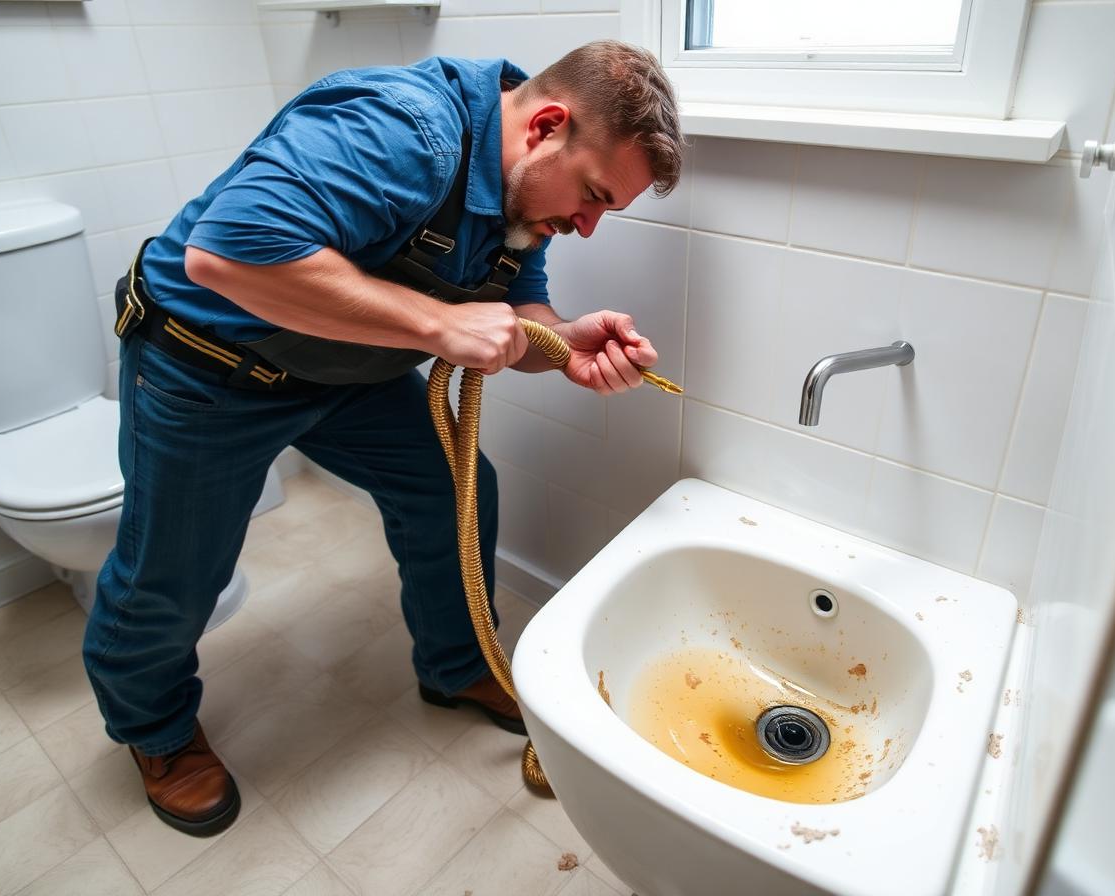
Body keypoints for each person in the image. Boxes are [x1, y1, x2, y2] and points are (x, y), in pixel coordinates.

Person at [83, 39, 683, 838]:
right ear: (545, 126)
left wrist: (564, 343)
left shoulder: (521, 199)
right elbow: (222, 254)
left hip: (343, 375)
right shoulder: (402, 130)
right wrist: (437, 323)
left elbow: (517, 319)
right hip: (210, 368)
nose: (588, 226)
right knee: (176, 572)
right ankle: (154, 730)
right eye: (595, 195)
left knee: (454, 490)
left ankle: (458, 664)